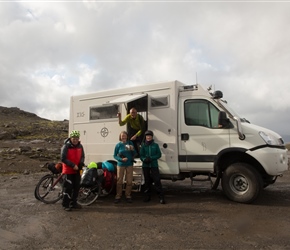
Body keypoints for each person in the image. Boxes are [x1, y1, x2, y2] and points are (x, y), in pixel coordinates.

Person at [61, 130, 85, 211]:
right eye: (73, 138)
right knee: (68, 187)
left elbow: (82, 156)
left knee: (76, 187)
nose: (75, 140)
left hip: (77, 169)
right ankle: (65, 204)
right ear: (70, 138)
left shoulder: (80, 146)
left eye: (76, 138)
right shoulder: (66, 146)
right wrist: (72, 165)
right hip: (68, 170)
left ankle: (73, 203)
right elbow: (63, 158)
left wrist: (81, 163)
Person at [140, 130, 165, 204]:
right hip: (146, 166)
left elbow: (159, 154)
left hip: (154, 165)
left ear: (152, 137)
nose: (148, 137)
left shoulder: (155, 145)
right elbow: (141, 155)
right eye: (147, 136)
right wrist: (144, 159)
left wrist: (151, 158)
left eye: (150, 136)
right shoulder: (143, 145)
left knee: (157, 180)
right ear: (145, 137)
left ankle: (161, 197)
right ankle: (147, 196)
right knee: (147, 181)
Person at [113, 131, 136, 204]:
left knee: (129, 181)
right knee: (119, 181)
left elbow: (135, 153)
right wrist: (121, 159)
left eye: (125, 136)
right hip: (120, 164)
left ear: (127, 136)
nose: (124, 137)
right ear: (120, 137)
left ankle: (128, 195)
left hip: (129, 164)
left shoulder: (130, 143)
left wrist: (133, 149)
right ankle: (118, 196)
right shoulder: (118, 145)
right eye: (122, 136)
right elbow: (114, 155)